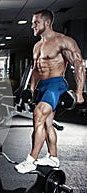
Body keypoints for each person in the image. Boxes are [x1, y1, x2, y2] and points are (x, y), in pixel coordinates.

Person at [15, 9, 85, 173]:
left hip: (56, 84)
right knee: (47, 123)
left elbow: (79, 64)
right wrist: (30, 89)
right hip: (43, 86)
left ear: (47, 22)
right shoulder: (37, 46)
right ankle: (53, 157)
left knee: (38, 115)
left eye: (35, 22)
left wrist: (79, 92)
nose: (32, 25)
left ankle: (31, 160)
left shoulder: (62, 41)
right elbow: (36, 70)